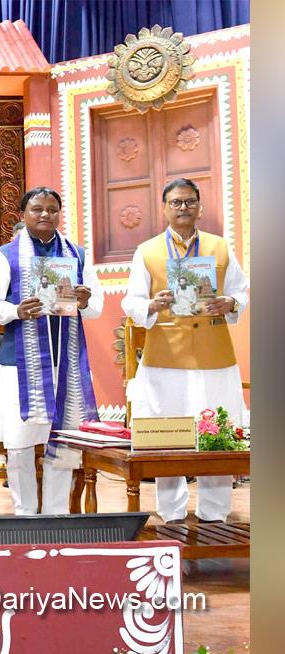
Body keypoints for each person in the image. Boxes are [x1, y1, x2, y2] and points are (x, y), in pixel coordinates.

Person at [0, 187, 103, 516]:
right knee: (19, 444)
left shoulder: (78, 255)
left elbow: (97, 306)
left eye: (52, 209)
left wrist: (84, 301)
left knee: (63, 440)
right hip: (20, 366)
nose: (45, 215)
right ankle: (25, 513)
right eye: (37, 209)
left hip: (66, 364)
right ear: (23, 214)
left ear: (60, 213)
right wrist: (17, 311)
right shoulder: (7, 255)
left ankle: (56, 514)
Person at [122, 178, 248, 524]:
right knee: (168, 434)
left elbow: (242, 290)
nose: (183, 208)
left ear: (199, 206)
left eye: (189, 202)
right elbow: (130, 301)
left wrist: (231, 302)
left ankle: (215, 512)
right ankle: (172, 512)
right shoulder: (147, 251)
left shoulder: (220, 247)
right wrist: (151, 303)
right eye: (176, 203)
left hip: (214, 356)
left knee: (217, 433)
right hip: (166, 357)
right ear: (164, 208)